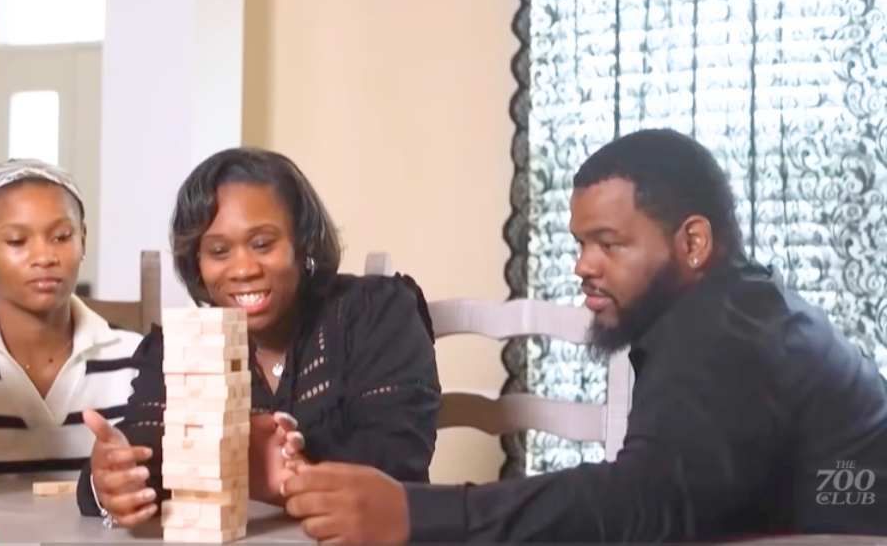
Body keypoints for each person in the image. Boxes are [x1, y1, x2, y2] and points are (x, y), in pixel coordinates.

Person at [281, 129, 887, 542]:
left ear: (693, 242)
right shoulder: (730, 307)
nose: (583, 265)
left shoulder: (724, 334)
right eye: (580, 243)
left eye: (609, 243)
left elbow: (641, 499)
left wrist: (418, 513)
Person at [78, 147, 441, 527]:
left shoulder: (375, 312)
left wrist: (284, 477)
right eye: (219, 251)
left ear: (302, 243)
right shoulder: (180, 345)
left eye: (263, 244)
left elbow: (398, 462)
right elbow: (143, 449)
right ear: (197, 263)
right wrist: (112, 480)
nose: (243, 269)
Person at [0, 159, 144, 489]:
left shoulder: (136, 359)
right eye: (17, 241)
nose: (44, 257)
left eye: (61, 237)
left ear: (83, 239)